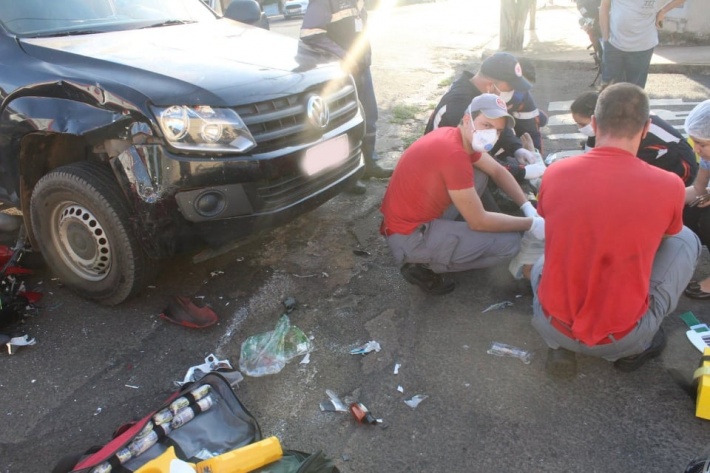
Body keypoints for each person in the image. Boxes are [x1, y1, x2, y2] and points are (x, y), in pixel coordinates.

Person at [530, 83, 700, 377]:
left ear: (594, 124)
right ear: (645, 129)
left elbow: (550, 220)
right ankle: (638, 347)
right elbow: (666, 236)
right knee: (686, 239)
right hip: (618, 338)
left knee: (544, 261)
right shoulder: (669, 185)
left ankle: (561, 346)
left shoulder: (556, 172)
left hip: (551, 325)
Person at [380, 94, 545, 296]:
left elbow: (497, 171)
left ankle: (450, 237)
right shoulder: (454, 155)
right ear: (467, 119)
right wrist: (531, 224)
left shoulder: (455, 136)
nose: (491, 134)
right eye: (486, 125)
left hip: (409, 220)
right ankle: (423, 264)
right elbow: (479, 221)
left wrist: (526, 206)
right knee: (510, 243)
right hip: (410, 236)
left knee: (480, 173)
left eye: (498, 130)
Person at [298, 0, 392, 195]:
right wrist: (345, 56)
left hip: (361, 68)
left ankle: (369, 163)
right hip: (339, 72)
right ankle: (346, 176)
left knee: (369, 117)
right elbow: (310, 34)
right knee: (343, 124)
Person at [425, 52, 546, 185]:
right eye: (510, 88)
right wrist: (522, 172)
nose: (513, 92)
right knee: (483, 178)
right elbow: (479, 158)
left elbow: (497, 126)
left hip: (467, 157)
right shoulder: (459, 106)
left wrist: (517, 148)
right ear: (490, 85)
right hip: (441, 171)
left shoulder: (479, 92)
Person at [570, 90, 698, 185]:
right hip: (652, 154)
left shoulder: (628, 127)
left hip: (679, 164)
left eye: (582, 124)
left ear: (597, 118)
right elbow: (590, 160)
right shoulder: (610, 119)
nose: (580, 128)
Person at [599, 0, 686, 88]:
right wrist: (606, 38)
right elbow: (604, 7)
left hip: (643, 47)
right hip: (614, 45)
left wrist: (663, 11)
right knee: (609, 89)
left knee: (635, 90)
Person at [681, 100, 710, 299]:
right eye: (694, 143)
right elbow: (699, 187)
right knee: (687, 209)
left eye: (702, 144)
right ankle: (683, 259)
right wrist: (664, 197)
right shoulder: (707, 157)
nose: (696, 150)